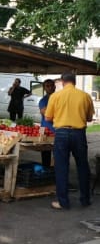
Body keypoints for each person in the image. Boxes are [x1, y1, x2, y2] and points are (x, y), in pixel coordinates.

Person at [45, 71, 95, 210]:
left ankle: (63, 202)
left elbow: (48, 118)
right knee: (82, 166)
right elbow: (90, 118)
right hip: (79, 134)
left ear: (62, 81)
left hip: (61, 134)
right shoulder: (85, 96)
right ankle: (85, 199)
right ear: (75, 82)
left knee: (61, 167)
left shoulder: (55, 96)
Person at [38, 79, 56, 167]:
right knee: (45, 153)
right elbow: (45, 113)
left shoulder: (59, 98)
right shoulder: (43, 100)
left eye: (51, 85)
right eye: (47, 86)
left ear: (55, 86)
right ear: (44, 88)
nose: (50, 88)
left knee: (57, 154)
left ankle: (54, 171)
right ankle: (46, 169)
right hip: (45, 129)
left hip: (57, 129)